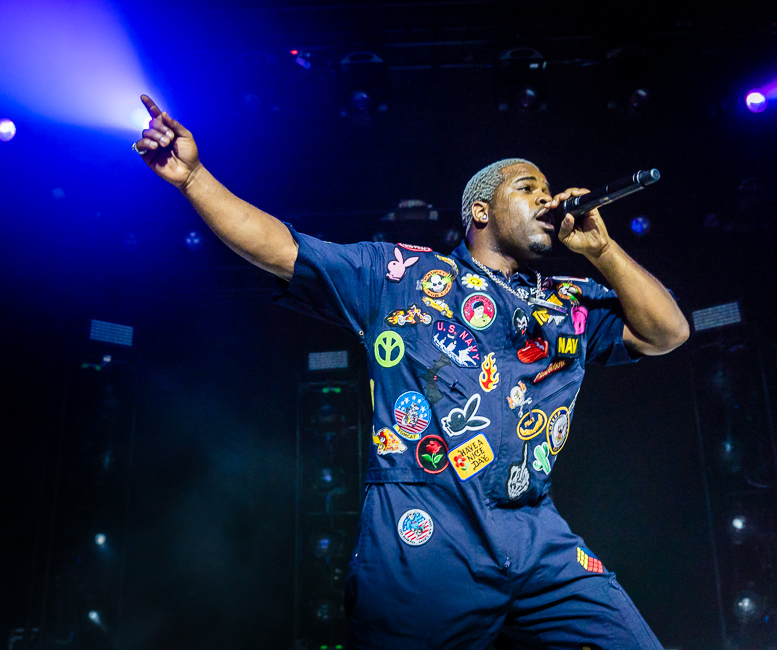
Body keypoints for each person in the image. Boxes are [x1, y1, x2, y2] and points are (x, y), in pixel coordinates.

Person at [134, 94, 689, 649]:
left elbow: (667, 333)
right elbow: (282, 248)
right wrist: (194, 179)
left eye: (549, 191)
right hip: (425, 531)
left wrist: (603, 250)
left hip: (537, 533)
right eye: (528, 188)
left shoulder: (571, 302)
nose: (547, 198)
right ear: (479, 211)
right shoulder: (400, 273)